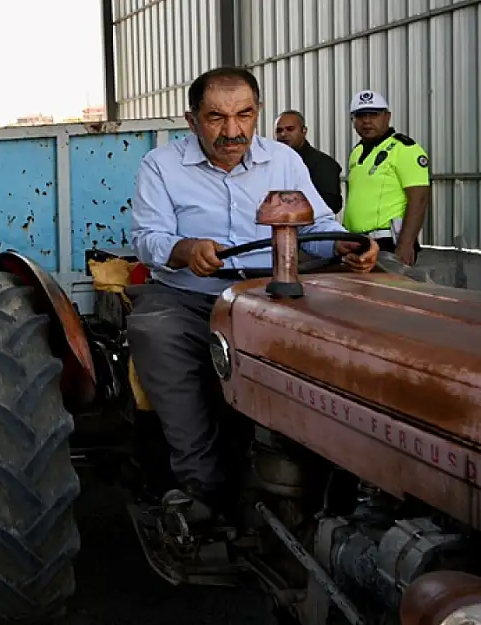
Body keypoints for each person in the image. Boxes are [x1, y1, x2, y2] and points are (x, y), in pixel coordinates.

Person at [128, 68, 379, 523]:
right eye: (216, 118)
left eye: (244, 115)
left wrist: (345, 242)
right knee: (153, 332)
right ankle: (201, 486)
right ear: (191, 120)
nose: (232, 131)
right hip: (191, 297)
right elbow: (147, 238)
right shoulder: (160, 166)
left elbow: (318, 227)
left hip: (274, 291)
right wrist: (184, 250)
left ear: (258, 112)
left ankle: (338, 479)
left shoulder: (283, 160)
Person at [342, 90, 431, 266]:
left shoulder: (404, 149)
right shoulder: (357, 151)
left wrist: (405, 244)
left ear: (387, 116)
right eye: (360, 116)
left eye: (374, 115)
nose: (367, 121)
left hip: (388, 243)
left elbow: (419, 199)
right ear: (353, 120)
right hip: (357, 243)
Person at [273, 109, 343, 213]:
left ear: (304, 131)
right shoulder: (273, 163)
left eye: (290, 129)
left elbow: (332, 204)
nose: (283, 134)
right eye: (279, 130)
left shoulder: (324, 164)